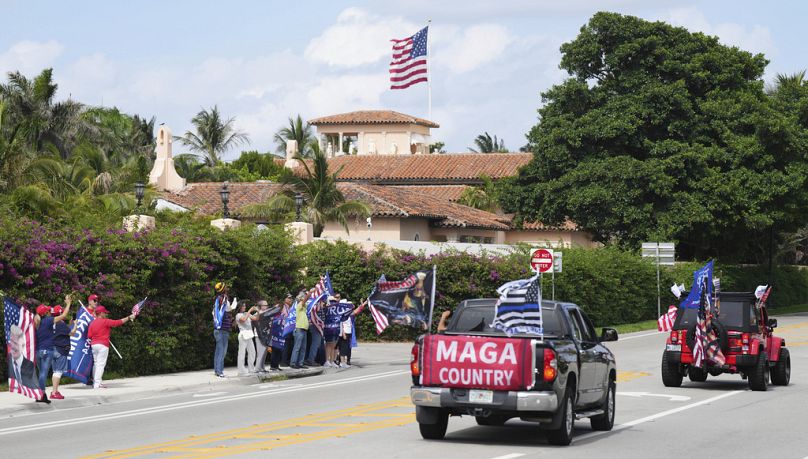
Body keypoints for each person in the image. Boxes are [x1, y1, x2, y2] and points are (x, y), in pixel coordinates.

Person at [34, 295, 72, 402]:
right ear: (45, 313)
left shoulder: (36, 323)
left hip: (38, 351)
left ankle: (40, 395)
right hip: (47, 351)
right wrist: (68, 303)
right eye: (47, 311)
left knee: (41, 373)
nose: (49, 312)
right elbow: (64, 315)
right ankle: (42, 396)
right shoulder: (48, 320)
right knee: (43, 374)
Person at [87, 305, 135, 389]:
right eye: (104, 313)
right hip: (103, 345)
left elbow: (89, 335)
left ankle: (96, 382)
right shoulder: (105, 321)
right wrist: (128, 317)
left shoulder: (92, 323)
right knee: (100, 364)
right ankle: (97, 384)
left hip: (94, 345)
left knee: (96, 363)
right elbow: (118, 322)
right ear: (101, 313)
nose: (105, 314)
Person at [212, 282, 237, 378]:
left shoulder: (218, 300)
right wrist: (235, 303)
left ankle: (217, 370)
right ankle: (219, 371)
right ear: (223, 289)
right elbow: (229, 309)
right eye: (225, 287)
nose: (227, 288)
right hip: (222, 329)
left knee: (219, 351)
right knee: (222, 351)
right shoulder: (223, 299)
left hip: (219, 329)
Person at [7, 324, 39, 398]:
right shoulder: (9, 361)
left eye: (16, 343)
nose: (13, 347)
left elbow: (31, 385)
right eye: (11, 342)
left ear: (23, 345)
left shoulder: (29, 365)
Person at [50, 303, 73, 399]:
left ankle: (54, 391)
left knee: (55, 371)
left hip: (52, 348)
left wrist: (70, 324)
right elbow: (71, 333)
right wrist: (74, 325)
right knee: (58, 372)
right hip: (60, 349)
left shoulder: (50, 322)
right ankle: (54, 392)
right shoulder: (61, 323)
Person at [337, 299, 366, 368]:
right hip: (343, 332)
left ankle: (345, 361)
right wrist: (343, 333)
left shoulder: (348, 313)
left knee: (346, 347)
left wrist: (363, 304)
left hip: (349, 332)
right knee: (341, 348)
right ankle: (341, 362)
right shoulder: (341, 314)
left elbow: (357, 310)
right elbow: (340, 324)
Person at [235, 303, 259, 376]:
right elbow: (244, 319)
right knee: (242, 353)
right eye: (243, 306)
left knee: (252, 352)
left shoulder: (246, 313)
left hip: (249, 335)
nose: (244, 307)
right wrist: (250, 310)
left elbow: (256, 318)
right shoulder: (238, 315)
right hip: (243, 335)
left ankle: (251, 369)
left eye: (245, 306)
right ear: (239, 307)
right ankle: (241, 371)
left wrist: (257, 311)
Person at [290, 292, 309, 369]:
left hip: (304, 329)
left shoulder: (304, 308)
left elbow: (305, 301)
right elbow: (305, 300)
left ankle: (300, 363)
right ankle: (293, 363)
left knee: (303, 348)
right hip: (299, 328)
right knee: (297, 347)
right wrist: (310, 293)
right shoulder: (299, 305)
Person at [304, 299, 325, 367]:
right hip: (315, 327)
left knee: (316, 344)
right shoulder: (316, 305)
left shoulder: (317, 305)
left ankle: (311, 359)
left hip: (317, 327)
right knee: (315, 344)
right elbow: (316, 316)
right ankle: (310, 360)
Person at [268, 300, 287, 371]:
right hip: (274, 335)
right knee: (274, 350)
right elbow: (272, 323)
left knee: (279, 350)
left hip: (281, 335)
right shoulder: (273, 315)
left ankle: (277, 365)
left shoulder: (282, 315)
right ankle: (273, 366)